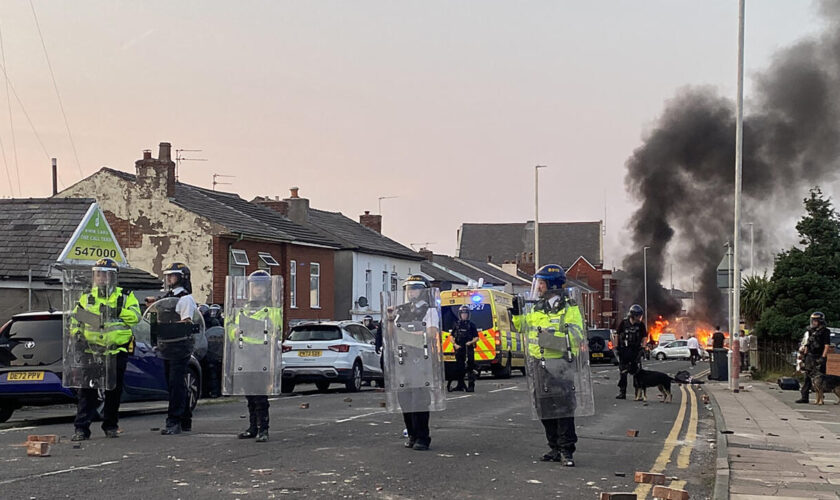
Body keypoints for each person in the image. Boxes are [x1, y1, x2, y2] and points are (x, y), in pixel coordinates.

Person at [513, 264, 587, 466]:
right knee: (543, 406)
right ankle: (554, 446)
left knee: (563, 407)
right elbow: (523, 328)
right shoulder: (537, 307)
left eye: (542, 283)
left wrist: (549, 339)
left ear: (553, 285)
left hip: (560, 364)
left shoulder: (569, 308)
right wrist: (516, 312)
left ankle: (566, 450)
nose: (538, 288)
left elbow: (575, 337)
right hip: (539, 364)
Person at [70, 258, 141, 441]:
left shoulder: (124, 296)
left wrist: (117, 311)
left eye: (104, 274)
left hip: (116, 351)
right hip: (92, 351)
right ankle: (81, 429)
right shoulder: (87, 296)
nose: (101, 278)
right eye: (98, 274)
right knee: (87, 392)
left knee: (113, 393)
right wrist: (77, 335)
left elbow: (135, 317)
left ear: (112, 276)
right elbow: (76, 320)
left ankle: (110, 425)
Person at [386, 275, 440, 451]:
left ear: (423, 291)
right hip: (402, 358)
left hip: (420, 358)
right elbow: (391, 334)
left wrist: (407, 336)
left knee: (419, 399)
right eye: (409, 289)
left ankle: (423, 437)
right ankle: (411, 434)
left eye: (415, 288)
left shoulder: (429, 310)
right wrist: (389, 319)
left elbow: (430, 333)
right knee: (405, 400)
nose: (411, 292)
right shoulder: (401, 311)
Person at [229, 270, 283, 442]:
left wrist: (258, 327)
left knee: (260, 394)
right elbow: (230, 329)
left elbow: (276, 330)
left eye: (260, 287)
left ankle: (263, 429)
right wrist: (234, 331)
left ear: (267, 289)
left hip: (261, 355)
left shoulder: (272, 310)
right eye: (254, 286)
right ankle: (252, 427)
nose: (256, 290)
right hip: (244, 354)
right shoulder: (242, 309)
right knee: (249, 394)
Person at [152, 262, 198, 435]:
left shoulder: (185, 298)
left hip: (180, 345)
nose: (169, 278)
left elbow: (185, 322)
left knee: (176, 384)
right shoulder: (167, 297)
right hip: (167, 345)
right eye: (168, 275)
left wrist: (166, 327)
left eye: (173, 275)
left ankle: (174, 421)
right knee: (174, 385)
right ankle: (185, 419)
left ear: (182, 278)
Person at [796, 312, 832, 404]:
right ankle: (804, 396)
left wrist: (823, 357)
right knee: (807, 377)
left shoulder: (825, 331)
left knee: (820, 378)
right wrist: (804, 355)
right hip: (810, 356)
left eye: (816, 320)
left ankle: (821, 397)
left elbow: (826, 345)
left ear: (820, 321)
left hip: (819, 355)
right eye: (813, 320)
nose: (814, 322)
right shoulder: (810, 331)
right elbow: (807, 344)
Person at [615, 304, 647, 399]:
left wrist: (643, 347)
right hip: (624, 351)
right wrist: (616, 347)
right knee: (623, 372)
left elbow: (645, 337)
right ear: (633, 315)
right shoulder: (624, 323)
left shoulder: (641, 325)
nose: (640, 318)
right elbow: (617, 334)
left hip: (635, 351)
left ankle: (638, 394)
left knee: (637, 373)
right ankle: (622, 392)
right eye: (638, 316)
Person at [449, 305, 479, 392]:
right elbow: (451, 336)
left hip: (468, 348)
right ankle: (460, 385)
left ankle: (471, 385)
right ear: (460, 314)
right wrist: (455, 344)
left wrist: (470, 342)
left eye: (466, 313)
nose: (464, 315)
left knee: (470, 367)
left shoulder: (471, 325)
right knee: (459, 367)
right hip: (459, 348)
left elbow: (477, 337)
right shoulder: (457, 324)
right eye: (463, 314)